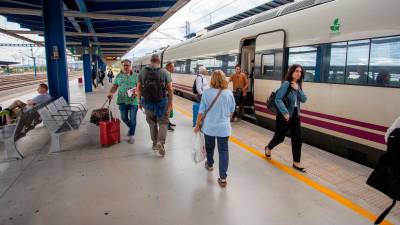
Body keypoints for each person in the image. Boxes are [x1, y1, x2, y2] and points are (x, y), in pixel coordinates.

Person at [194, 70, 236, 188]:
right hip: (224, 128)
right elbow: (232, 110)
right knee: (223, 151)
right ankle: (223, 178)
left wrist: (197, 126)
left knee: (210, 147)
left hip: (210, 127)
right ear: (223, 79)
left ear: (212, 79)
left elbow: (201, 112)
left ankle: (210, 164)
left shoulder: (207, 93)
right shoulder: (229, 93)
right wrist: (225, 119)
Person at [264, 64, 308, 172]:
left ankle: (296, 162)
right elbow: (278, 99)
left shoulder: (297, 85)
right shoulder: (286, 84)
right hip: (284, 116)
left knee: (297, 138)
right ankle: (268, 148)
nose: (299, 73)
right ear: (292, 72)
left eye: (300, 72)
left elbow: (304, 99)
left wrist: (298, 89)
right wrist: (285, 112)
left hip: (295, 116)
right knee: (280, 137)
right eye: (297, 71)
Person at [137, 54, 173, 156]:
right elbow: (170, 89)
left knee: (152, 123)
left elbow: (138, 89)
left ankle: (154, 143)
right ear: (159, 61)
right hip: (162, 103)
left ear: (150, 61)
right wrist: (170, 103)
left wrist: (139, 101)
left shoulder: (143, 72)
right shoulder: (165, 72)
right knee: (163, 123)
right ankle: (160, 142)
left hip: (148, 103)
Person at [107, 59, 138, 144]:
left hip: (133, 101)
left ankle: (132, 135)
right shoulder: (118, 76)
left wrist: (136, 92)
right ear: (122, 66)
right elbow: (115, 86)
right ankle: (131, 128)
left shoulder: (136, 76)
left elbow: (140, 86)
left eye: (127, 65)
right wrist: (110, 92)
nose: (126, 67)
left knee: (133, 119)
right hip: (122, 100)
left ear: (130, 66)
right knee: (124, 118)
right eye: (124, 65)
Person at [165, 62, 176, 131]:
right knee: (167, 111)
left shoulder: (167, 73)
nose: (173, 68)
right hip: (166, 95)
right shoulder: (167, 74)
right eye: (172, 67)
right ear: (169, 67)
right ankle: (167, 125)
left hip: (167, 94)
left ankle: (168, 122)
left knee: (168, 110)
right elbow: (167, 86)